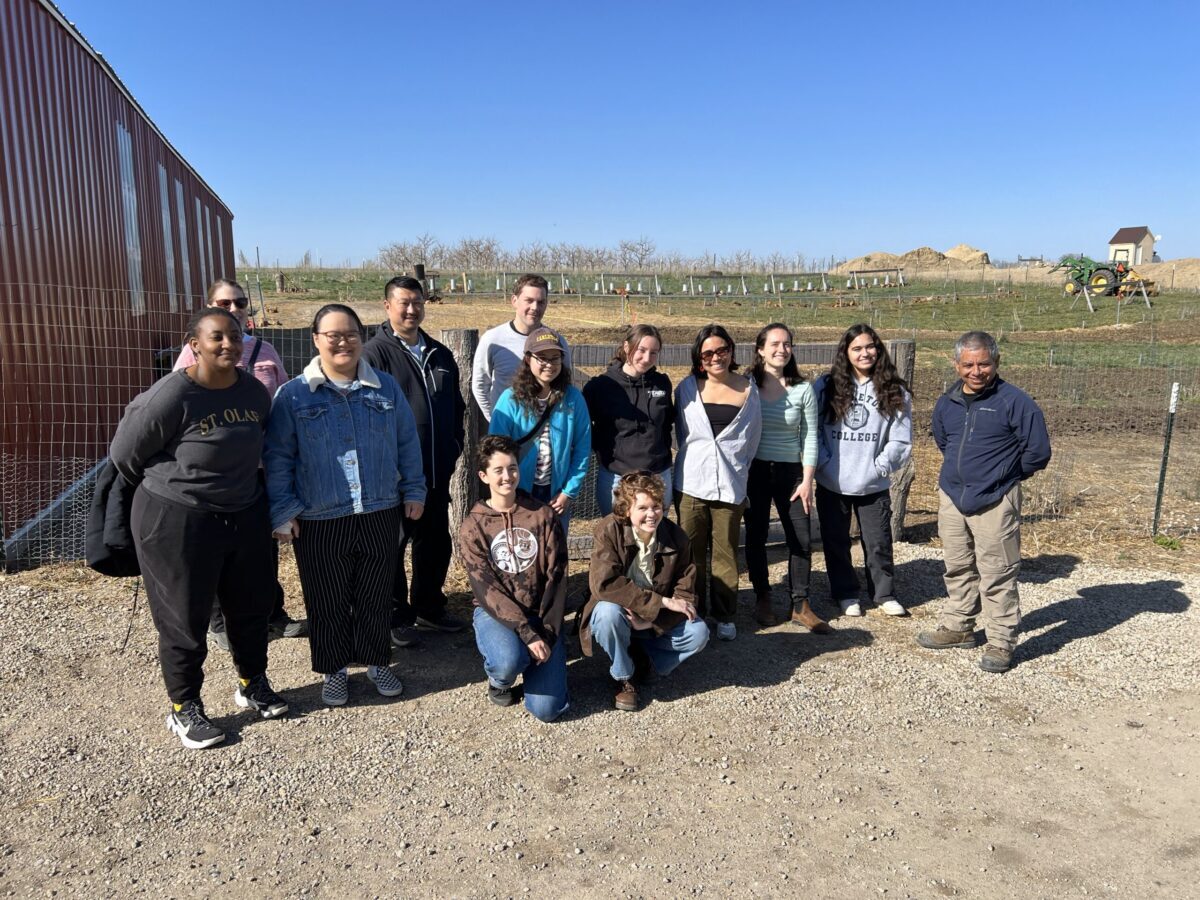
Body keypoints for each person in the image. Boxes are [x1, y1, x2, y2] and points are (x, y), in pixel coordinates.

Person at [110, 308, 288, 749]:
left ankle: (252, 683)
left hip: (243, 512)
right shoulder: (171, 396)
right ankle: (183, 705)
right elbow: (125, 455)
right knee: (184, 615)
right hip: (178, 517)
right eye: (216, 337)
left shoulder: (252, 392)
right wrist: (180, 485)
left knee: (251, 605)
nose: (228, 344)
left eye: (234, 335)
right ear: (195, 344)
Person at [264, 304, 425, 706]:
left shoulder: (384, 388)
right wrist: (283, 510)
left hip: (379, 507)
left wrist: (415, 491)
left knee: (375, 591)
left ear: (361, 337)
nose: (342, 342)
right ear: (316, 340)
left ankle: (375, 660)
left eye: (351, 333)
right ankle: (334, 668)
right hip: (319, 514)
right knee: (326, 597)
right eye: (332, 335)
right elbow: (279, 457)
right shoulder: (294, 395)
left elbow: (407, 443)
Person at [174, 278, 306, 649]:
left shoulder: (265, 351)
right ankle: (219, 620)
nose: (234, 309)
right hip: (219, 470)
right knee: (218, 546)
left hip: (262, 466)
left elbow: (283, 404)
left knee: (262, 546)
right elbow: (178, 404)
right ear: (209, 306)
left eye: (240, 303)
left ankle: (272, 613)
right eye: (224, 303)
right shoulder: (193, 354)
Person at [916, 330, 1051, 673]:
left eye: (984, 364)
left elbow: (1037, 452)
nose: (976, 371)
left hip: (995, 498)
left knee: (997, 572)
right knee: (957, 564)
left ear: (996, 362)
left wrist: (1003, 476)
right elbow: (944, 440)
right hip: (952, 497)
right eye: (968, 364)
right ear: (956, 364)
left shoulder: (1016, 402)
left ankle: (1001, 641)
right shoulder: (947, 402)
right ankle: (959, 626)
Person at [364, 276, 467, 648]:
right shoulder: (374, 355)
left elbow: (456, 407)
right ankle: (396, 616)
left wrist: (454, 445)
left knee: (435, 542)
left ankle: (429, 606)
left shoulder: (440, 354)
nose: (411, 309)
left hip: (437, 472)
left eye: (417, 302)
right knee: (392, 546)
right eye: (404, 302)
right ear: (387, 305)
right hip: (394, 477)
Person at [459, 436, 569, 722]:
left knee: (547, 711)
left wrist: (545, 631)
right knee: (507, 662)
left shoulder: (542, 515)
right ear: (484, 476)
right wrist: (526, 633)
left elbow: (557, 576)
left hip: (540, 614)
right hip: (496, 614)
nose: (507, 476)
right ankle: (501, 680)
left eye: (512, 468)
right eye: (498, 470)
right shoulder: (473, 525)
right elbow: (487, 589)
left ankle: (539, 663)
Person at [584, 472, 709, 711]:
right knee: (607, 613)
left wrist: (650, 622)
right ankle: (624, 676)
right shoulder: (608, 530)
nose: (651, 514)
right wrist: (659, 602)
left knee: (698, 632)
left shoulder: (677, 537)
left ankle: (646, 658)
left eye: (656, 506)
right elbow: (604, 584)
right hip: (620, 611)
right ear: (626, 509)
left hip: (651, 620)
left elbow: (686, 595)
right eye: (643, 508)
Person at [814, 324, 913, 619]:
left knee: (878, 540)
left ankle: (884, 593)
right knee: (836, 540)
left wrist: (880, 466)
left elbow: (900, 437)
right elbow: (813, 430)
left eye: (869, 346)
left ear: (878, 349)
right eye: (856, 348)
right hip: (833, 480)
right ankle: (845, 592)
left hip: (873, 483)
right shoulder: (826, 386)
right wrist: (825, 462)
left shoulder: (894, 390)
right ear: (846, 353)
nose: (864, 353)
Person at [674, 324, 761, 642]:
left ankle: (725, 614)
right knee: (690, 553)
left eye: (721, 350)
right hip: (691, 484)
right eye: (708, 352)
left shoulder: (749, 390)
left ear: (731, 351)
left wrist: (736, 470)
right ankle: (693, 610)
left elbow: (752, 440)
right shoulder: (686, 389)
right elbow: (683, 436)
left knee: (725, 552)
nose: (715, 357)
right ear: (699, 358)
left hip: (730, 484)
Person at [743, 323, 825, 631]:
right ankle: (762, 597)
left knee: (800, 537)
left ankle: (800, 604)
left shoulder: (804, 388)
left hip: (792, 472)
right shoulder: (747, 385)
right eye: (775, 343)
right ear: (761, 349)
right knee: (756, 535)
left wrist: (807, 481)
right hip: (756, 470)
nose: (782, 349)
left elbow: (811, 437)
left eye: (787, 344)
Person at [488, 326, 592, 537]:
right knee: (523, 550)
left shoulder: (573, 399)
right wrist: (508, 492)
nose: (549, 364)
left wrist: (568, 493)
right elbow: (495, 451)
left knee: (554, 553)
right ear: (528, 359)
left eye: (555, 358)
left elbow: (582, 448)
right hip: (519, 491)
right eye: (541, 358)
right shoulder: (510, 400)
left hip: (556, 495)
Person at [582, 324, 674, 516]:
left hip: (657, 477)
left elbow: (666, 425)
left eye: (654, 352)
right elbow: (583, 427)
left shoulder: (662, 384)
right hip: (618, 479)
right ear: (626, 347)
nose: (647, 358)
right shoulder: (601, 387)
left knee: (653, 538)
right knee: (618, 539)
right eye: (641, 350)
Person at [471, 274, 572, 421]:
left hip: (545, 427)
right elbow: (480, 385)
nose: (535, 307)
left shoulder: (557, 342)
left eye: (541, 302)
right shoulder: (493, 339)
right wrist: (495, 419)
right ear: (514, 301)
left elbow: (565, 383)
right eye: (529, 301)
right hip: (507, 426)